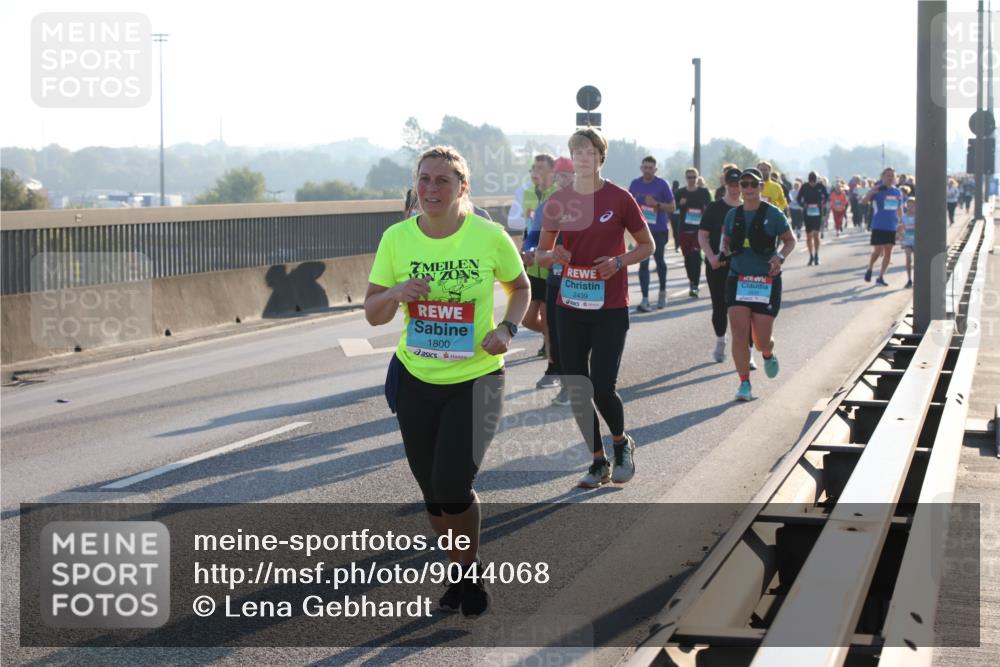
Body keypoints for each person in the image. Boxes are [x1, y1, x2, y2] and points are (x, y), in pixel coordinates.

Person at [366, 145, 530, 616]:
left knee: (453, 484)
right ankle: (460, 570)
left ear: (463, 187)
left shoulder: (489, 236)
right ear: (414, 185)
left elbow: (520, 287)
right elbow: (374, 314)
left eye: (443, 180)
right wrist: (397, 291)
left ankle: (469, 571)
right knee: (432, 492)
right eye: (424, 179)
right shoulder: (397, 239)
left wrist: (508, 329)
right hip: (417, 378)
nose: (431, 189)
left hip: (477, 379)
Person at [536, 128, 654, 488]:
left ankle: (620, 442)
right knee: (576, 386)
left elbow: (646, 245)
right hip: (569, 304)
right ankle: (597, 461)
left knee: (602, 386)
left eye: (588, 152)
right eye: (576, 152)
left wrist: (618, 262)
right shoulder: (559, 200)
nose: (582, 158)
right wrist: (553, 255)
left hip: (610, 306)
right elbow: (540, 254)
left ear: (601, 157)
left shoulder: (620, 198)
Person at [721, 168, 796, 402]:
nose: (748, 189)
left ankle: (767, 352)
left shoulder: (773, 214)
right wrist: (724, 248)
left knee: (762, 338)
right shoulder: (733, 215)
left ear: (761, 187)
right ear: (739, 188)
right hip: (738, 278)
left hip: (766, 280)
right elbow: (726, 239)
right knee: (738, 332)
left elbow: (789, 240)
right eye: (744, 184)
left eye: (753, 184)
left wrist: (780, 257)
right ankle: (744, 383)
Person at [525, 156, 576, 405]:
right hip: (555, 276)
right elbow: (534, 235)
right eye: (559, 176)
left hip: (583, 280)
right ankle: (567, 384)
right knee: (558, 333)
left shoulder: (590, 202)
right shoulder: (550, 204)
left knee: (581, 334)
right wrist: (532, 250)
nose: (562, 180)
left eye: (567, 175)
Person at [521, 154, 559, 385]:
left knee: (547, 318)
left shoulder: (559, 195)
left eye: (541, 168)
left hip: (549, 267)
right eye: (533, 168)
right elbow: (529, 229)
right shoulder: (527, 194)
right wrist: (526, 249)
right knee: (526, 320)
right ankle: (555, 338)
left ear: (552, 172)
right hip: (532, 266)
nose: (536, 172)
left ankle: (553, 367)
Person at [699, 167, 742, 362]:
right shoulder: (715, 208)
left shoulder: (746, 208)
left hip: (740, 267)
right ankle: (720, 341)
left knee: (742, 308)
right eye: (731, 185)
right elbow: (703, 235)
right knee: (719, 307)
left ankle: (745, 351)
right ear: (725, 185)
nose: (735, 189)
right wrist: (711, 258)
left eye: (738, 185)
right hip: (718, 266)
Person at [629, 156, 676, 311]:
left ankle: (662, 291)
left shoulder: (662, 184)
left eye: (651, 168)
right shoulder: (635, 184)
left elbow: (672, 207)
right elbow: (627, 205)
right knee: (643, 263)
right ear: (641, 168)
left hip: (660, 230)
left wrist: (657, 204)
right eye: (646, 167)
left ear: (655, 169)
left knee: (659, 260)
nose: (648, 170)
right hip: (642, 232)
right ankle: (645, 299)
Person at [863, 167, 904, 286]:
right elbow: (864, 202)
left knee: (888, 251)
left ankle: (880, 276)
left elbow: (899, 208)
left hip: (891, 226)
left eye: (892, 176)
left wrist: (901, 222)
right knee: (878, 250)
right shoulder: (877, 190)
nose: (890, 178)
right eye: (888, 175)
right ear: (883, 177)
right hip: (879, 225)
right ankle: (870, 268)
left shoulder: (897, 192)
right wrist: (872, 192)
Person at [675, 167, 713, 297]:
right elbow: (673, 209)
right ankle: (691, 280)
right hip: (684, 229)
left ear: (697, 178)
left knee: (695, 256)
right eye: (689, 177)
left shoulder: (703, 192)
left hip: (699, 230)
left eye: (693, 177)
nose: (691, 180)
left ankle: (695, 284)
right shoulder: (680, 192)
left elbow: (710, 208)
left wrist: (706, 211)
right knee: (687, 258)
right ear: (686, 178)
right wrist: (680, 204)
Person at [797, 171, 828, 265]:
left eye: (814, 182)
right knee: (809, 236)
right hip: (807, 213)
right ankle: (810, 256)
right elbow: (798, 198)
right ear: (809, 180)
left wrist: (821, 203)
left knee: (816, 235)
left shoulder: (820, 186)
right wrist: (803, 205)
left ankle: (816, 255)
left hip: (818, 213)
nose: (812, 184)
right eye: (811, 182)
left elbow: (826, 196)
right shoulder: (804, 186)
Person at [901, 196, 916, 288]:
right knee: (908, 259)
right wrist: (900, 237)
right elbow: (900, 229)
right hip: (907, 241)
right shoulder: (904, 217)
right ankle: (909, 279)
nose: (910, 208)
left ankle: (916, 279)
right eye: (909, 206)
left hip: (917, 241)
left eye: (913, 206)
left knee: (917, 261)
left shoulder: (919, 216)